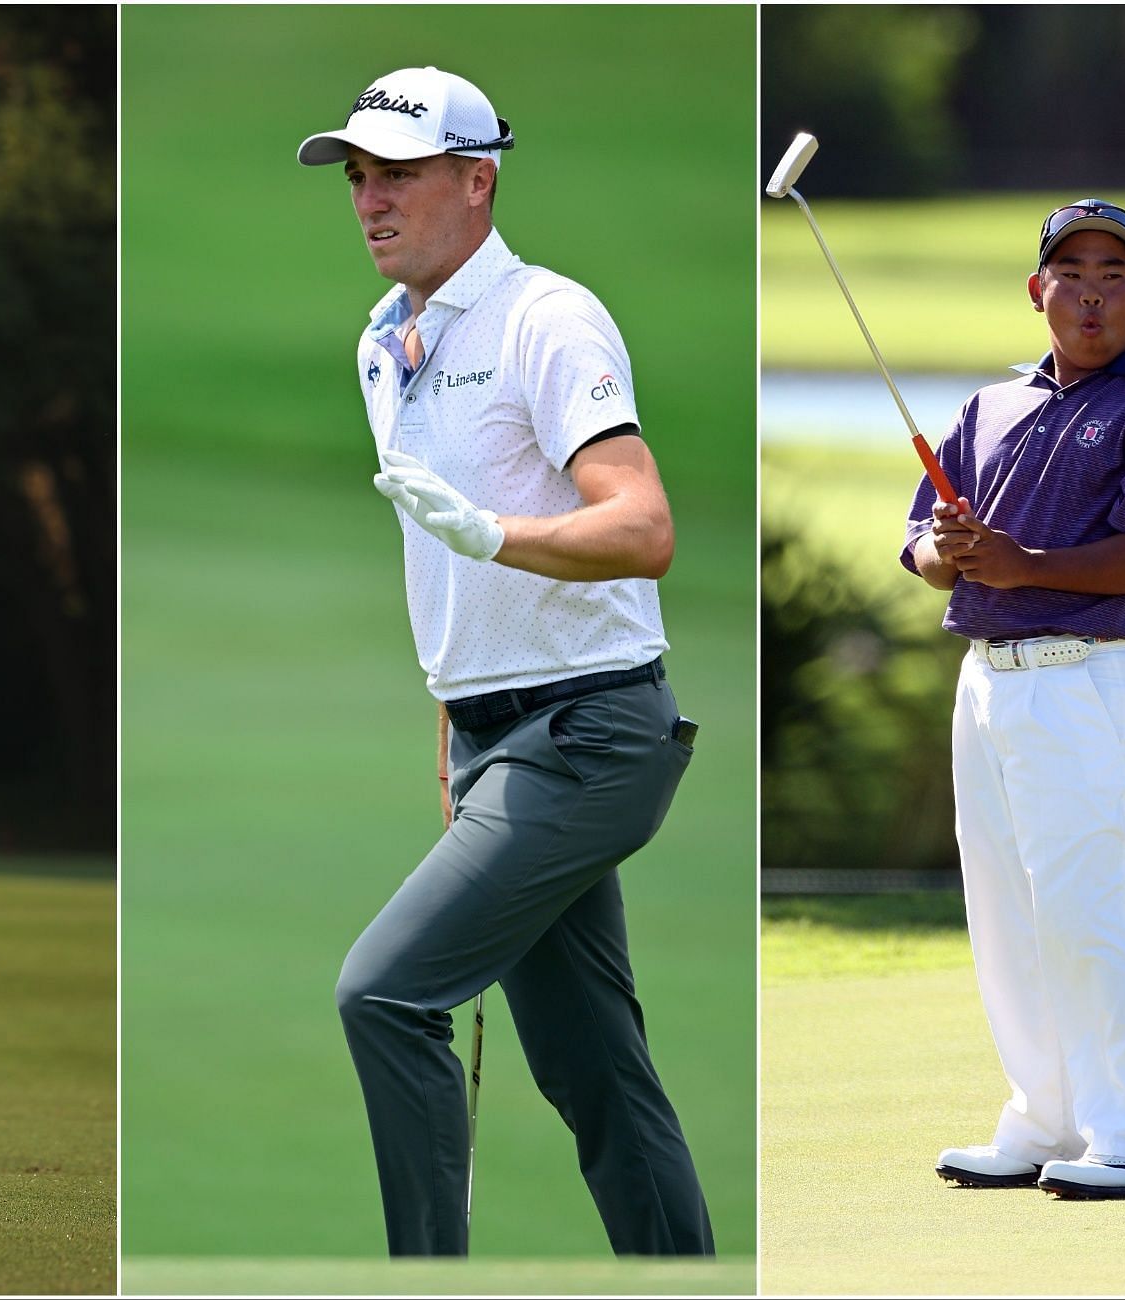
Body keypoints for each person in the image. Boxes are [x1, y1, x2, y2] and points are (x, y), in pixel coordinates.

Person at [297, 67, 713, 1256]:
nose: (371, 200)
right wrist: (454, 738)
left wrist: (499, 534)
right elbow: (452, 594)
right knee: (597, 1076)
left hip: (592, 734)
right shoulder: (384, 342)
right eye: (360, 178)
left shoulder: (547, 318)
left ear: (477, 181)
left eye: (401, 176)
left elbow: (645, 525)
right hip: (494, 744)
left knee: (382, 992)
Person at [904, 200, 1125, 1199]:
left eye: (1113, 273)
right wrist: (946, 553)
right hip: (987, 684)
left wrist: (1021, 559)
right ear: (1036, 289)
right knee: (1005, 914)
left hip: (1089, 680)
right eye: (1070, 271)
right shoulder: (991, 408)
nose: (1091, 289)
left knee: (1087, 914)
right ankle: (1046, 1119)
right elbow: (920, 544)